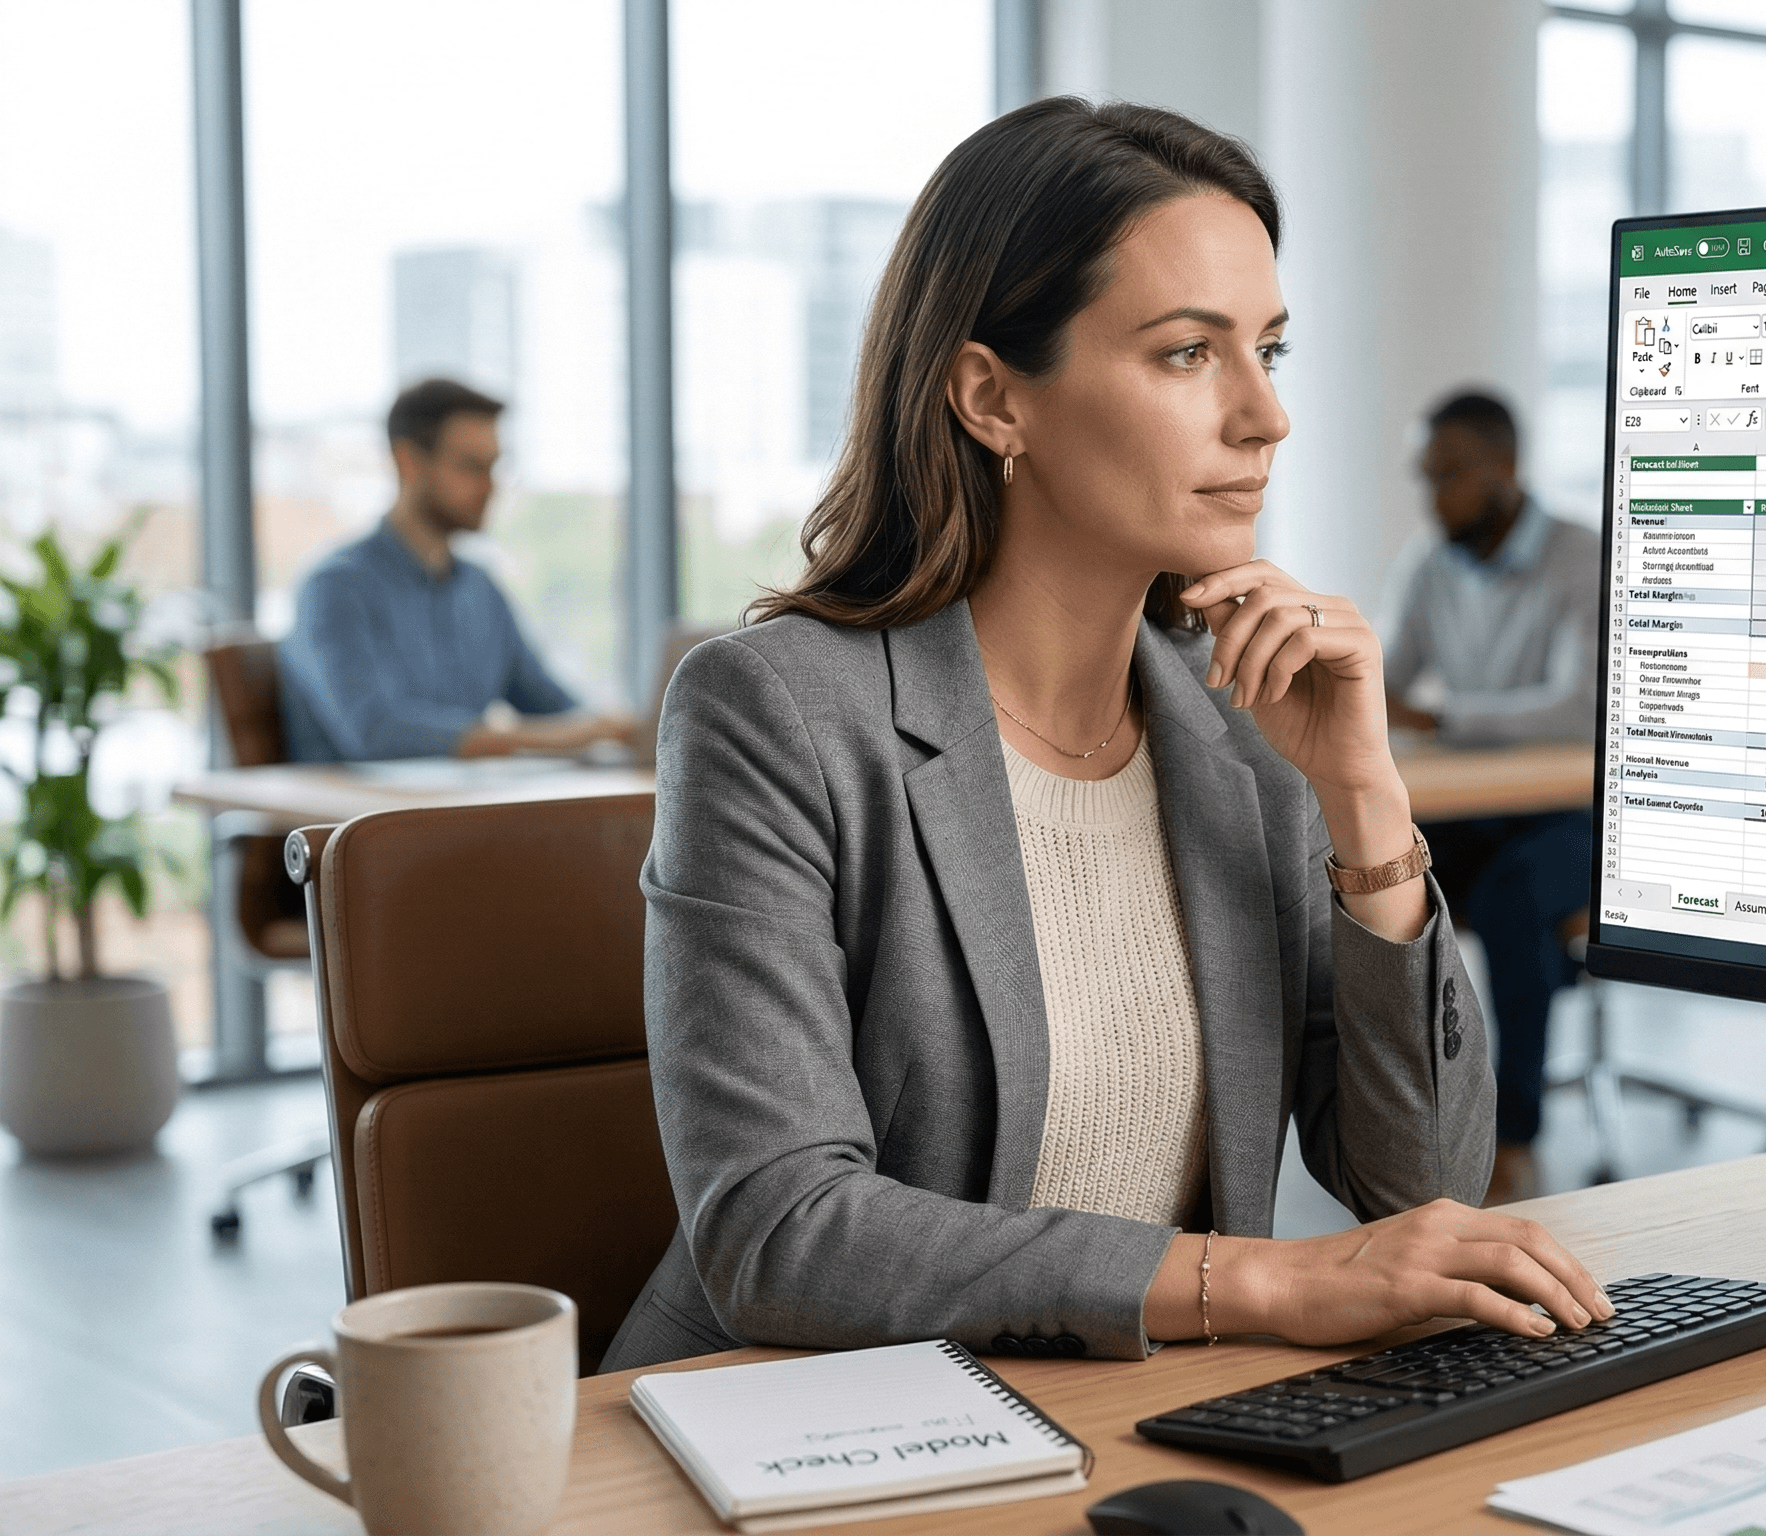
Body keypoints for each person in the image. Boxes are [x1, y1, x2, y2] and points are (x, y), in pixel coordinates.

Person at [602, 98, 1610, 1373]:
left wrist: (1364, 798)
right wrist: (1261, 1281)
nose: (1264, 417)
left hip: (1106, 1426)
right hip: (808, 1426)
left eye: (1270, 351)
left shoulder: (1243, 734)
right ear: (991, 399)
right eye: (1189, 354)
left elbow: (1417, 1180)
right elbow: (779, 1233)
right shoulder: (778, 712)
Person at [1385, 391, 1601, 1204]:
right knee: (1388, 874)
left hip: (1577, 817)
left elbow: (1581, 706)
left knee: (1516, 900)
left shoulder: (1580, 555)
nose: (1435, 494)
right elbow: (1383, 682)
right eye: (1427, 475)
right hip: (1485, 811)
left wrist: (1442, 717)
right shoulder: (1432, 562)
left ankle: (1511, 1139)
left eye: (1451, 474)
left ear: (1505, 466)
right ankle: (1409, 1128)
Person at [277, 379, 636, 762]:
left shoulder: (479, 589)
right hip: (361, 818)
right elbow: (375, 731)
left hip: (458, 809)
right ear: (409, 463)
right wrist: (551, 739)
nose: (490, 486)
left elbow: (551, 705)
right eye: (471, 467)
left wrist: (614, 729)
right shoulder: (334, 587)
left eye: (494, 466)